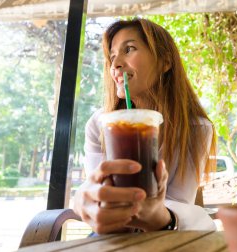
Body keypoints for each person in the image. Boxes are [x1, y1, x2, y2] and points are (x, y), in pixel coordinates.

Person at [73, 18, 217, 234]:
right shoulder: (99, 124)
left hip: (163, 235)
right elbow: (95, 187)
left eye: (129, 49)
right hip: (111, 233)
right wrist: (84, 199)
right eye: (112, 56)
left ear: (165, 62)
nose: (115, 65)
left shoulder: (196, 129)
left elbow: (179, 202)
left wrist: (157, 215)